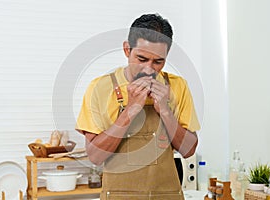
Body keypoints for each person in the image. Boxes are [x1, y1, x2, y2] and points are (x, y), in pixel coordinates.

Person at [76, 13, 200, 200]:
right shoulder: (100, 88)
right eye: (141, 59)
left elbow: (189, 150)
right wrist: (131, 110)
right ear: (127, 49)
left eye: (158, 61)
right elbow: (95, 156)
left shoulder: (177, 86)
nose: (149, 69)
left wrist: (165, 111)